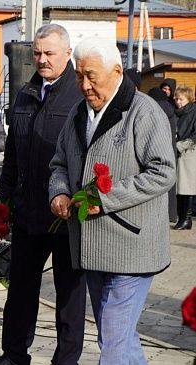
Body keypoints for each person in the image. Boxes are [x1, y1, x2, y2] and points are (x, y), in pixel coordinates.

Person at [49, 38, 175, 364]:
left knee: (114, 340)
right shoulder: (78, 112)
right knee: (115, 336)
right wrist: (60, 192)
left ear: (117, 71)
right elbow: (60, 162)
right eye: (79, 76)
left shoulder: (144, 112)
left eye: (92, 76)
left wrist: (105, 199)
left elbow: (163, 173)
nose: (84, 85)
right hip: (92, 246)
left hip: (132, 245)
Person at [0, 24, 86, 365]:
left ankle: (66, 359)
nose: (42, 60)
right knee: (19, 291)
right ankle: (14, 354)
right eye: (37, 53)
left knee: (69, 295)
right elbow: (13, 156)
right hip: (28, 212)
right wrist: (4, 205)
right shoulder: (25, 94)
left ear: (67, 53)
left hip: (65, 216)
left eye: (49, 53)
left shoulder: (79, 94)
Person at [148, 86, 179, 222]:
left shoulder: (153, 110)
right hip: (171, 151)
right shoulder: (171, 109)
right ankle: (171, 214)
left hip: (156, 151)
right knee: (170, 185)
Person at [173, 84, 196, 230]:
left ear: (188, 98)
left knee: (186, 187)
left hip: (189, 153)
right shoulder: (178, 113)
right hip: (178, 152)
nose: (177, 101)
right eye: (176, 99)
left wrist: (180, 145)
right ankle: (182, 218)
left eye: (180, 99)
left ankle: (186, 218)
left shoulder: (193, 112)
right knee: (179, 187)